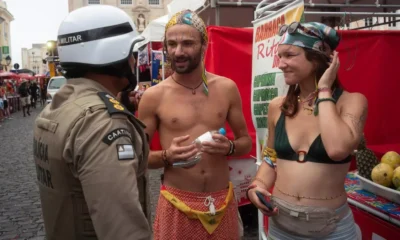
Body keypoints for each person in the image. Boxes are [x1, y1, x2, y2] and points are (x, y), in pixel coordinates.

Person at [33, 5, 151, 240]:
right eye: (131, 53)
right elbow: (123, 231)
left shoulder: (59, 107)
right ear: (112, 54)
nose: (133, 61)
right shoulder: (103, 123)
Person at [247, 22, 367, 239]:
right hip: (280, 225)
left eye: (290, 55)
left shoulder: (351, 102)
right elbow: (271, 158)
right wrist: (257, 186)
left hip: (332, 230)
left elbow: (337, 149)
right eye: (280, 56)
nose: (281, 64)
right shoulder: (278, 106)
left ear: (318, 58)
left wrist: (323, 89)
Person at [138, 9, 252, 240]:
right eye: (172, 44)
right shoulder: (154, 96)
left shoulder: (226, 88)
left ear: (204, 45)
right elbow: (138, 157)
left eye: (188, 43)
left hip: (221, 202)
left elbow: (245, 142)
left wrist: (228, 148)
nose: (178, 51)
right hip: (177, 202)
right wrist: (168, 156)